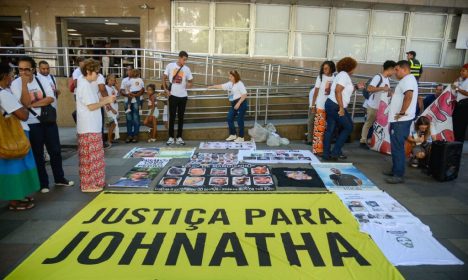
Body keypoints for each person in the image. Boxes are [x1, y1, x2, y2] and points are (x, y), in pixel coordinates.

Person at [11, 56, 74, 193]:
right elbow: (23, 103)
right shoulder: (16, 84)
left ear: (33, 69)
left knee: (55, 151)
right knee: (37, 154)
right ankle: (43, 183)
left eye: (26, 69)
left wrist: (32, 104)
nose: (23, 72)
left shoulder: (42, 80)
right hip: (31, 124)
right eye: (20, 69)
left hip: (48, 120)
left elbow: (50, 98)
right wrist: (23, 85)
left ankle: (59, 178)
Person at [0, 64, 40, 210]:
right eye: (11, 74)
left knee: (11, 167)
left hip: (6, 136)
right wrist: (24, 107)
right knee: (15, 167)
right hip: (15, 136)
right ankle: (15, 199)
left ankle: (18, 195)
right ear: (4, 76)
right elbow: (23, 115)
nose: (12, 77)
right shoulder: (3, 94)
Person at [75, 58, 116, 192]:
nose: (98, 75)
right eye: (96, 72)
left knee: (94, 157)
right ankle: (88, 184)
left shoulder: (87, 82)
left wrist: (106, 100)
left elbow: (95, 100)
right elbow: (92, 106)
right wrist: (107, 101)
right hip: (88, 127)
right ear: (88, 71)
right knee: (90, 158)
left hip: (91, 126)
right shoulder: (85, 85)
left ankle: (95, 182)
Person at [383, 60, 419, 184]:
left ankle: (398, 174)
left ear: (404, 69)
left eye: (397, 69)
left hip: (401, 120)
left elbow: (408, 96)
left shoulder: (408, 80)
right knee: (395, 147)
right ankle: (395, 170)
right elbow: (404, 96)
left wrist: (402, 112)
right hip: (398, 120)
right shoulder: (406, 80)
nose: (395, 72)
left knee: (397, 147)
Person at [322, 57, 363, 161]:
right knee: (348, 127)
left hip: (332, 104)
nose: (354, 70)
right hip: (336, 105)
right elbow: (338, 91)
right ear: (350, 67)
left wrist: (357, 87)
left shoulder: (342, 75)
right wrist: (341, 107)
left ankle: (327, 154)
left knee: (330, 130)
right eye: (354, 67)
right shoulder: (344, 75)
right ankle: (335, 152)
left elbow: (345, 90)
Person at [360, 60, 396, 148]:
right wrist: (382, 88)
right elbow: (369, 88)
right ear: (390, 69)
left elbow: (385, 90)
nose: (395, 72)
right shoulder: (378, 77)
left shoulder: (387, 79)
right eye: (394, 70)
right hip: (373, 105)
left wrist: (390, 93)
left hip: (381, 107)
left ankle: (374, 141)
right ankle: (363, 141)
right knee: (369, 123)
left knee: (377, 125)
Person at [163, 51, 193, 146]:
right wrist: (165, 89)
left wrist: (189, 85)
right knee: (172, 117)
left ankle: (179, 137)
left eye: (186, 60)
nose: (185, 61)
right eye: (184, 59)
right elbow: (163, 77)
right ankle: (171, 137)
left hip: (183, 96)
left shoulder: (187, 69)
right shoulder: (170, 66)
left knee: (181, 117)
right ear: (179, 58)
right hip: (173, 95)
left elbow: (191, 81)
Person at [208, 70, 248, 142]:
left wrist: (238, 103)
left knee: (240, 120)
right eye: (229, 76)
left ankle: (241, 137)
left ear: (235, 76)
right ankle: (233, 135)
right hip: (234, 103)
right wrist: (212, 86)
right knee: (229, 118)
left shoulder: (239, 84)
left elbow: (244, 95)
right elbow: (221, 86)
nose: (229, 77)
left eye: (231, 76)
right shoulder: (230, 84)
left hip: (241, 103)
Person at [311, 61, 336, 155]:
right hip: (321, 105)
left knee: (329, 129)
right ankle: (317, 150)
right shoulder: (320, 77)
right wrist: (313, 105)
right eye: (323, 68)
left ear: (331, 68)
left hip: (331, 105)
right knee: (319, 128)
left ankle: (326, 149)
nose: (324, 70)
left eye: (326, 68)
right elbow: (316, 92)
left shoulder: (335, 77)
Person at [123, 68, 144, 143]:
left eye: (130, 70)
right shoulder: (125, 80)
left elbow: (143, 89)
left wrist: (136, 94)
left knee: (136, 118)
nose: (129, 72)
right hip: (129, 97)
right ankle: (129, 135)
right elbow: (123, 89)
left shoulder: (139, 80)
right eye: (127, 70)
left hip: (136, 96)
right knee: (129, 119)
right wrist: (129, 94)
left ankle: (135, 135)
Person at [452, 64, 468, 143]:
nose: (461, 72)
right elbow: (454, 85)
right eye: (461, 71)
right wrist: (458, 80)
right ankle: (455, 145)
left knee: (460, 128)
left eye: (463, 71)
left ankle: (458, 146)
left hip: (464, 106)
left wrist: (457, 88)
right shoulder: (463, 80)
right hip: (459, 105)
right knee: (456, 126)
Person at [105, 74, 119, 148]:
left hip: (115, 107)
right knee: (112, 124)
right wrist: (111, 109)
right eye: (111, 80)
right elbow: (105, 99)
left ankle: (110, 139)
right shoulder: (105, 88)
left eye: (114, 80)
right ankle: (109, 141)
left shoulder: (113, 87)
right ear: (107, 80)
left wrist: (117, 85)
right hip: (110, 108)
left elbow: (118, 94)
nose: (112, 82)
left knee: (113, 124)